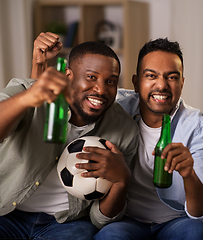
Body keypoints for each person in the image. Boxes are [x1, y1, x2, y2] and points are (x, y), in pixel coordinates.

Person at [0, 32, 139, 239]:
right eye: (91, 77)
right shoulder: (27, 91)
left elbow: (100, 219)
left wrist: (121, 181)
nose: (101, 89)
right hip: (7, 214)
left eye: (111, 81)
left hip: (67, 224)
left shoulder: (124, 129)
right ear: (68, 76)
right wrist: (26, 99)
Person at [93, 38, 203, 240]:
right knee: (109, 236)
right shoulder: (116, 110)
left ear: (182, 83)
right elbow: (72, 100)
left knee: (196, 233)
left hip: (178, 221)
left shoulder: (198, 126)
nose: (161, 85)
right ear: (136, 82)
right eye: (151, 75)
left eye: (172, 77)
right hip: (127, 219)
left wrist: (189, 175)